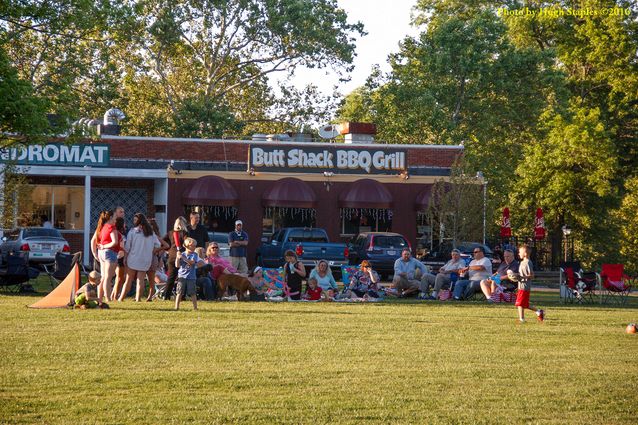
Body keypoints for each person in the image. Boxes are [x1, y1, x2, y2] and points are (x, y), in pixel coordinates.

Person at [118, 213, 160, 302]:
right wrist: (150, 251)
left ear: (138, 221)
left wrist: (125, 258)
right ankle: (138, 298)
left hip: (133, 258)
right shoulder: (151, 232)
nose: (133, 221)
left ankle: (121, 298)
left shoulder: (133, 231)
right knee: (140, 280)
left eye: (135, 220)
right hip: (146, 259)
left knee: (128, 279)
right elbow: (158, 245)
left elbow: (127, 247)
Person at [91, 210, 117, 306]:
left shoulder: (101, 227)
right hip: (109, 252)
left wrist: (94, 253)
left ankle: (100, 297)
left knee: (103, 277)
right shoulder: (111, 227)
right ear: (110, 217)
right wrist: (105, 246)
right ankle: (108, 298)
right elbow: (114, 242)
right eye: (114, 216)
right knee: (108, 277)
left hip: (101, 253)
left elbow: (93, 241)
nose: (116, 218)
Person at [513, 245, 544, 323]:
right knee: (523, 304)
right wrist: (515, 276)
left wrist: (521, 277)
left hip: (525, 286)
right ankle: (538, 311)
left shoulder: (528, 263)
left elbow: (532, 275)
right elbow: (521, 274)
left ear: (525, 253)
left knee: (520, 303)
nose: (518, 253)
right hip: (521, 285)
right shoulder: (522, 262)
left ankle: (522, 319)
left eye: (520, 252)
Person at [162, 216, 188, 300]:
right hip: (182, 255)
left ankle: (166, 296)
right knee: (183, 276)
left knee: (171, 277)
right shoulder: (184, 233)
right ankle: (182, 296)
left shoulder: (171, 232)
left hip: (172, 255)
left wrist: (168, 249)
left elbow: (162, 241)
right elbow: (187, 243)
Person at [175, 237, 205, 311]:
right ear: (187, 246)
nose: (194, 247)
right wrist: (178, 258)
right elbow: (177, 265)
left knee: (192, 293)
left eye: (195, 246)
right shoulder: (182, 254)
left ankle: (195, 307)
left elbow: (192, 262)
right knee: (179, 292)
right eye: (193, 246)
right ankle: (176, 307)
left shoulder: (194, 255)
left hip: (191, 276)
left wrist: (183, 258)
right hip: (182, 276)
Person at [147, 218, 169, 301]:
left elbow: (166, 245)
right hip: (147, 260)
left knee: (154, 279)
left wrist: (158, 250)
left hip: (155, 260)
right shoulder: (144, 235)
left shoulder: (155, 236)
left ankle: (152, 295)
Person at [110, 217, 127, 300]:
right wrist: (127, 252)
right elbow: (121, 247)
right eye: (124, 223)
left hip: (114, 256)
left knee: (117, 278)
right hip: (120, 257)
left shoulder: (114, 232)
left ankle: (113, 295)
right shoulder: (120, 235)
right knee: (120, 278)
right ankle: (115, 296)